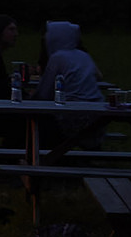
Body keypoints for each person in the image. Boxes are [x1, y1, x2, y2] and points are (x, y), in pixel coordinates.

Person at [36, 20, 106, 148]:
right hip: (98, 115)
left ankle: (43, 155)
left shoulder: (57, 57)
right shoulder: (84, 55)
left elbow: (44, 93)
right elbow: (98, 76)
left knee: (39, 122)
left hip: (72, 116)